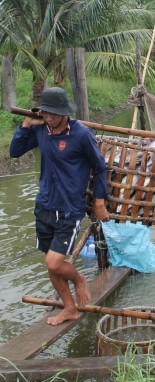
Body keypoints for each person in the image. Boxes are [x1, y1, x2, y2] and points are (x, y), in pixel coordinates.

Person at [9, 87, 109, 325]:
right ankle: (70, 309)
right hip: (44, 205)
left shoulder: (81, 135)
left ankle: (80, 280)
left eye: (54, 113)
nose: (50, 117)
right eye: (46, 113)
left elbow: (101, 167)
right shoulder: (42, 129)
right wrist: (25, 125)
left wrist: (99, 202)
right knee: (51, 264)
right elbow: (14, 152)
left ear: (65, 113)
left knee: (53, 262)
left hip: (68, 209)